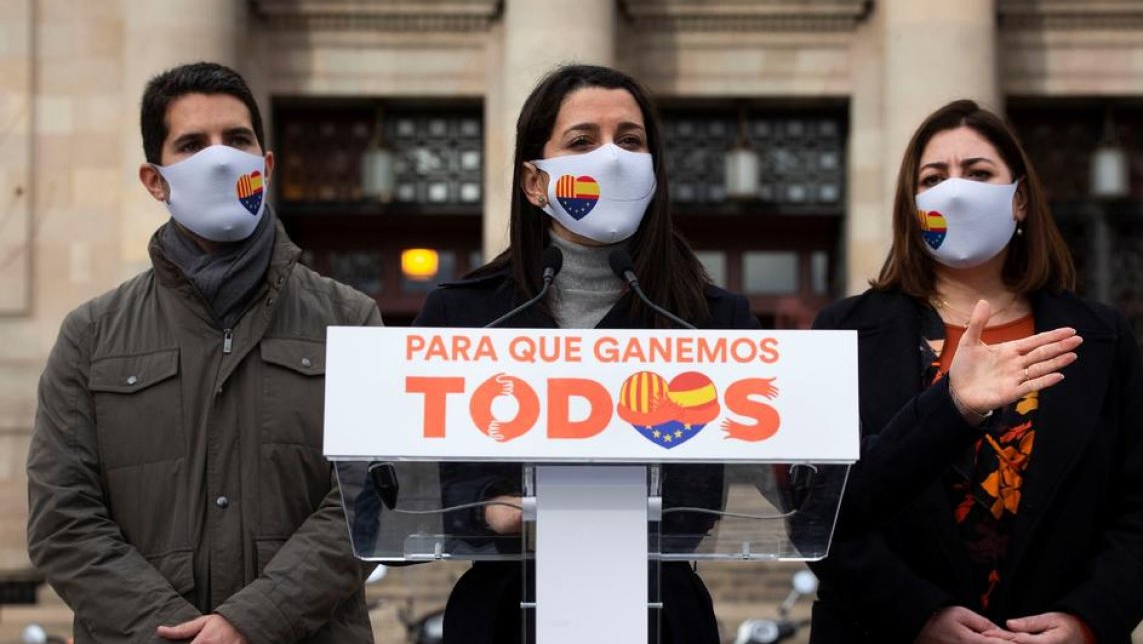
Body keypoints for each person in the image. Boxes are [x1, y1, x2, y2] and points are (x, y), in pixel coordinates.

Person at [808, 99, 1143, 644]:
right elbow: (819, 508)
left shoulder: (1098, 336)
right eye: (934, 177)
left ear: (1021, 201)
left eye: (979, 173)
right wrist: (919, 615)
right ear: (913, 207)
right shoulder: (845, 330)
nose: (956, 191)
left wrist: (1088, 619)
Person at [26, 62, 379, 644]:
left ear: (264, 166)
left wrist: (251, 621)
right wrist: (171, 631)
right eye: (191, 145)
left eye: (237, 140)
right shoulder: (90, 336)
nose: (219, 160)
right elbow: (63, 522)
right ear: (154, 179)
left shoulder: (350, 319)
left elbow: (369, 499)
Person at [411, 64, 755, 644]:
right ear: (535, 181)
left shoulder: (714, 322)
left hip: (661, 613)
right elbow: (409, 486)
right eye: (582, 141)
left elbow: (713, 497)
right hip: (501, 615)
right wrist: (488, 509)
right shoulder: (461, 315)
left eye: (630, 140)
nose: (612, 157)